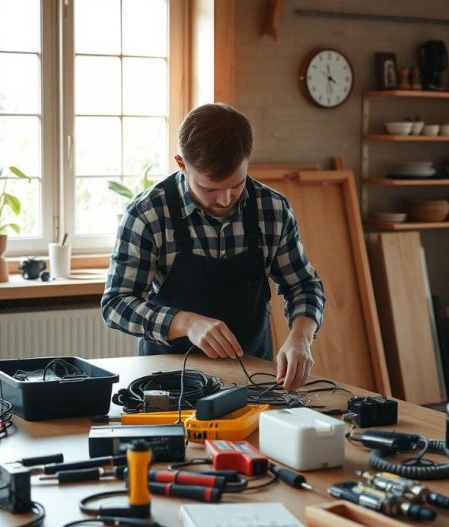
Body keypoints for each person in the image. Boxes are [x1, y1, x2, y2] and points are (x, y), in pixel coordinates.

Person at [101, 103, 325, 391]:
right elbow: (116, 304)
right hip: (166, 384)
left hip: (252, 375)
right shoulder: (148, 214)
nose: (225, 199)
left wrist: (301, 337)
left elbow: (304, 285)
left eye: (237, 184)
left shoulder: (272, 209)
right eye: (209, 188)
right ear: (181, 164)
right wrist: (186, 323)